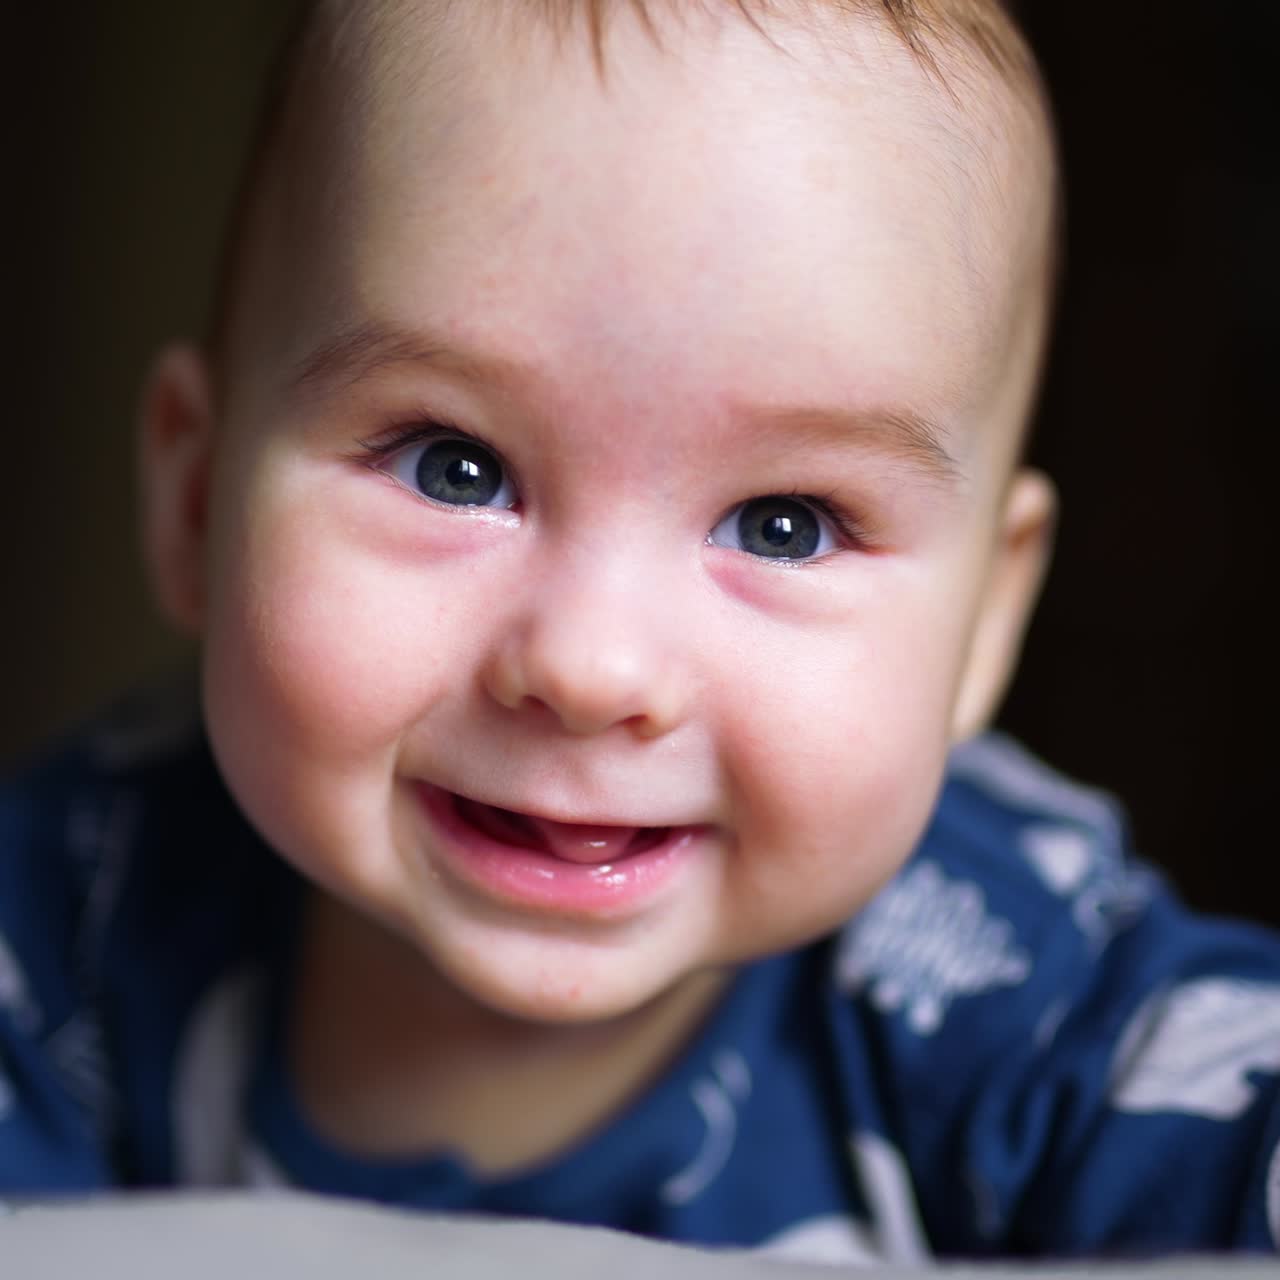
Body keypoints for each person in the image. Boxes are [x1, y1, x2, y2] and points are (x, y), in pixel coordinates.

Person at [2, 0, 1277, 1261]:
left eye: (784, 523)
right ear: (192, 499)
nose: (589, 668)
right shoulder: (63, 918)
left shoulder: (1031, 997)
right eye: (454, 466)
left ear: (985, 624)